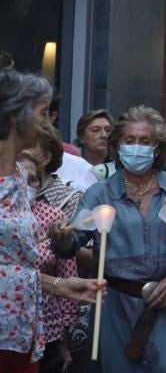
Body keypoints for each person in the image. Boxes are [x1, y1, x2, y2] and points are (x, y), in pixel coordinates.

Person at [52, 105, 166, 372]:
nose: (137, 147)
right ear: (117, 146)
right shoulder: (100, 193)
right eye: (130, 141)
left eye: (145, 141)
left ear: (157, 147)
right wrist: (60, 236)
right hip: (116, 309)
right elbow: (70, 245)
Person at [0, 69, 104, 373]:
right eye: (43, 113)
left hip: (20, 329)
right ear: (13, 116)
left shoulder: (20, 177)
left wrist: (59, 285)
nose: (49, 123)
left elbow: (12, 265)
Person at [17, 150, 80, 373]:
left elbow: (67, 275)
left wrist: (64, 341)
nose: (26, 186)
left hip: (49, 332)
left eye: (32, 180)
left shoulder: (53, 217)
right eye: (19, 179)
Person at [30, 127, 82, 220]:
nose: (16, 154)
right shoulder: (9, 190)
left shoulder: (69, 201)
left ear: (45, 158)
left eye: (26, 147)